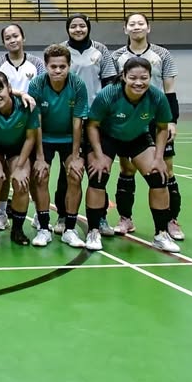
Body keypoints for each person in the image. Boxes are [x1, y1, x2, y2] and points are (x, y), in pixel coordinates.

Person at [85, 57, 179, 253]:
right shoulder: (109, 94)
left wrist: (159, 158)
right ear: (124, 77)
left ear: (150, 77)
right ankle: (93, 231)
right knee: (98, 176)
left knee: (159, 178)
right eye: (133, 77)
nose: (139, 82)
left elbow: (162, 128)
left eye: (144, 77)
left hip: (137, 137)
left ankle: (161, 234)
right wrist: (99, 155)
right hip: (108, 137)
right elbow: (92, 125)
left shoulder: (156, 96)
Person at [111, 13, 183, 240]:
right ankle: (125, 219)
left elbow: (169, 91)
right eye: (131, 24)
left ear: (148, 27)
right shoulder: (117, 57)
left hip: (157, 120)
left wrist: (172, 121)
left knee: (165, 170)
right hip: (128, 121)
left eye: (140, 23)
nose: (136, 27)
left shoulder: (163, 54)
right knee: (126, 170)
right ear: (125, 29)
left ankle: (171, 221)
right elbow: (114, 89)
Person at [57, 14, 116, 236]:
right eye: (73, 26)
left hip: (96, 119)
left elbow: (110, 81)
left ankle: (100, 217)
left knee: (97, 170)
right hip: (69, 119)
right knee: (69, 171)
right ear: (67, 29)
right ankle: (63, 215)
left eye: (82, 25)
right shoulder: (61, 49)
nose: (78, 29)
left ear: (88, 28)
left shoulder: (100, 49)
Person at [28, 45, 89, 248]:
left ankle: (70, 229)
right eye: (53, 66)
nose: (57, 70)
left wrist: (76, 156)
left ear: (69, 66)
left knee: (75, 175)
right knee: (41, 175)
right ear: (46, 66)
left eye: (62, 66)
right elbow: (36, 121)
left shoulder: (78, 85)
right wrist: (38, 156)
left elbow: (78, 121)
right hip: (44, 137)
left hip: (69, 138)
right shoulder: (36, 84)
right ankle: (43, 228)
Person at [0, 23, 46, 232]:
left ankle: (40, 216)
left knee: (28, 174)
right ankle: (1, 213)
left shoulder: (37, 64)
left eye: (16, 36)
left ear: (23, 37)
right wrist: (19, 95)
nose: (12, 40)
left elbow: (39, 93)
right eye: (8, 38)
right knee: (0, 173)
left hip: (27, 123)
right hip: (0, 125)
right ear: (4, 42)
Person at [0, 72, 41, 246]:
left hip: (18, 148)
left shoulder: (26, 105)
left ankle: (17, 230)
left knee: (21, 182)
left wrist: (19, 167)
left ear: (9, 88)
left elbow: (30, 138)